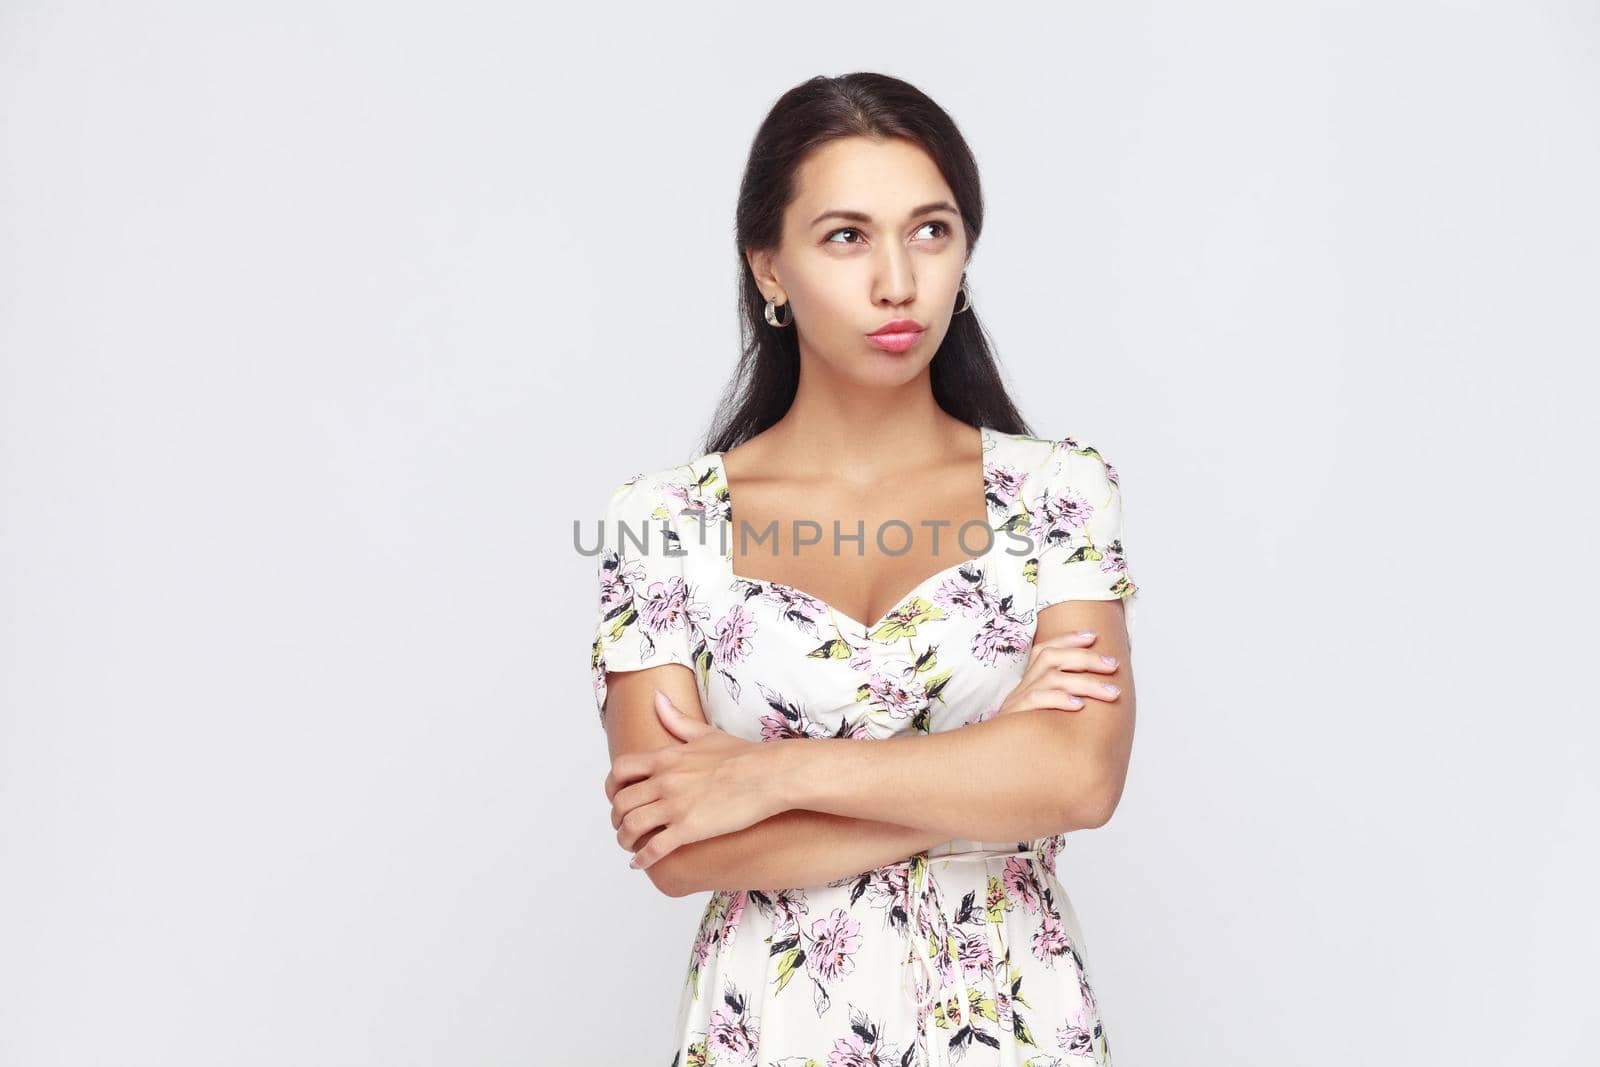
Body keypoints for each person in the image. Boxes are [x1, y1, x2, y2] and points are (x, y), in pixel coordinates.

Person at [587, 72, 1140, 1067]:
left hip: (1009, 1024)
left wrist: (768, 775)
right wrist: (985, 767)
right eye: (846, 236)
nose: (897, 279)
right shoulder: (663, 523)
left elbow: (1079, 774)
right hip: (773, 1027)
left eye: (930, 230)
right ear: (769, 267)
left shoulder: (1056, 494)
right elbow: (678, 844)